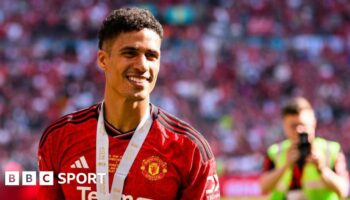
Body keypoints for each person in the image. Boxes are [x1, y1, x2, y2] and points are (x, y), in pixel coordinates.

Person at [38, 7, 220, 200]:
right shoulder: (59, 138)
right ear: (103, 59)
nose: (142, 65)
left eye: (151, 56)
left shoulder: (190, 150)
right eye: (130, 53)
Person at [259, 97, 349, 200]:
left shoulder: (331, 150)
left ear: (313, 123)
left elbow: (344, 190)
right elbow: (263, 187)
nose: (299, 130)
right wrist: (285, 166)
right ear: (284, 126)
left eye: (303, 125)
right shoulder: (275, 152)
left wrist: (322, 169)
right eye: (293, 126)